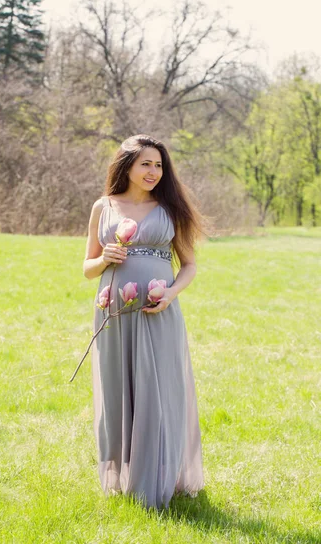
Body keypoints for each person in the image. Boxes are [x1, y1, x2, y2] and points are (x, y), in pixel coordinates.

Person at [83, 134, 205, 510]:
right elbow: (87, 269)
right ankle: (122, 476)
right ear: (127, 166)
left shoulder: (169, 208)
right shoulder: (103, 207)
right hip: (114, 314)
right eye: (146, 164)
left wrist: (169, 294)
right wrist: (105, 258)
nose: (154, 171)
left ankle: (155, 481)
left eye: (159, 165)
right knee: (119, 388)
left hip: (157, 312)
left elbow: (188, 265)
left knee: (157, 391)